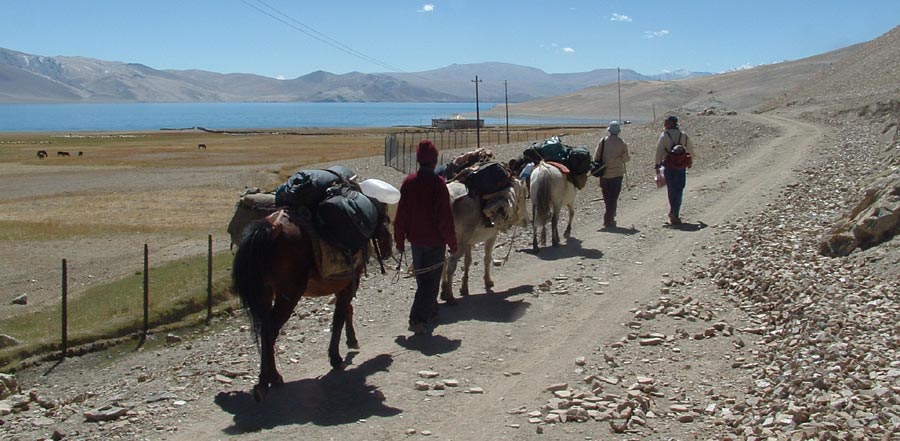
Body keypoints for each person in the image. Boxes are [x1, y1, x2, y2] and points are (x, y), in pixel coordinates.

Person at [394, 140, 459, 335]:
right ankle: (416, 319)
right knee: (430, 283)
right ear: (434, 160)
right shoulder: (438, 184)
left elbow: (401, 215)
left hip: (415, 242)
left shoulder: (408, 182)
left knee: (422, 280)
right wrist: (453, 244)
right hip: (434, 242)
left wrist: (399, 240)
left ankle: (431, 311)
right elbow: (445, 218)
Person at [654, 115, 695, 225]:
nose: (664, 125)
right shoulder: (683, 135)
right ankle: (675, 213)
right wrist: (690, 161)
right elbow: (691, 149)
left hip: (668, 166)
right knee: (679, 189)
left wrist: (657, 165)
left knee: (671, 189)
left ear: (671, 123)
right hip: (681, 166)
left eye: (666, 122)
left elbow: (659, 151)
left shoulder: (664, 136)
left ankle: (673, 212)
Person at [594, 121, 630, 229]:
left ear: (609, 131)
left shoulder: (603, 141)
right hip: (617, 174)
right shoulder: (622, 143)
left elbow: (596, 157)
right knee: (613, 197)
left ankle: (609, 216)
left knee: (607, 197)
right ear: (618, 132)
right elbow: (626, 159)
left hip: (604, 174)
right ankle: (608, 219)